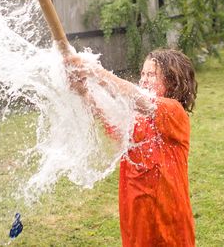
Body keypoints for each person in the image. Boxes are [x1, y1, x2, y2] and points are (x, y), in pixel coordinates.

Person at [66, 48, 197, 247]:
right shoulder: (134, 120)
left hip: (170, 227)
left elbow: (139, 99)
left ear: (172, 81)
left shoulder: (173, 111)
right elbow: (103, 114)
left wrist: (96, 73)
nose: (144, 79)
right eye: (143, 73)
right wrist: (83, 91)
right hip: (136, 224)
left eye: (151, 74)